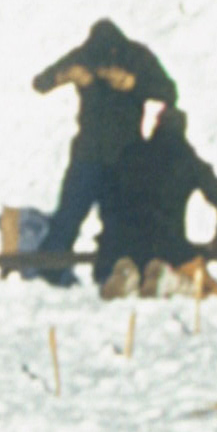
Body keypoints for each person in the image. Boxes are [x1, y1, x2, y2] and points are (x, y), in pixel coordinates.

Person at [30, 19, 178, 270]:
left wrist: (134, 84)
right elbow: (40, 82)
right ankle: (51, 272)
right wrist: (64, 75)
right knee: (68, 217)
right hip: (89, 152)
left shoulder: (137, 57)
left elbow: (169, 92)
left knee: (122, 223)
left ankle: (117, 275)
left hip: (126, 156)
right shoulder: (84, 56)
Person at [93, 105, 217, 298]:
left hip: (121, 243)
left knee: (132, 254)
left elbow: (106, 196)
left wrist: (110, 232)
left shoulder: (131, 153)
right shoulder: (187, 160)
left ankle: (128, 273)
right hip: (168, 245)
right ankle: (172, 281)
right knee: (211, 291)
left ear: (156, 127)